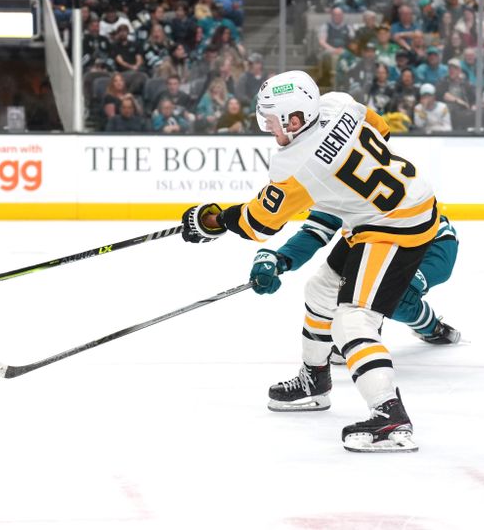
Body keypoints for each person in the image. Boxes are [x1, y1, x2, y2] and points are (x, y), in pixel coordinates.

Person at [181, 70, 442, 453]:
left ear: (296, 119)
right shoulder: (337, 103)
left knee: (353, 320)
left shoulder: (295, 166)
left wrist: (214, 219)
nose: (268, 127)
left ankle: (390, 416)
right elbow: (381, 129)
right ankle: (315, 380)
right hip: (386, 211)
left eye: (272, 120)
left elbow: (258, 223)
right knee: (320, 290)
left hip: (394, 226)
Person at [247, 209, 459, 361]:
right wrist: (281, 259)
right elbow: (317, 229)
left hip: (430, 242)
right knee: (347, 281)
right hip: (378, 241)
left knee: (396, 297)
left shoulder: (353, 172)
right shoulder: (331, 179)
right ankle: (360, 333)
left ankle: (432, 328)